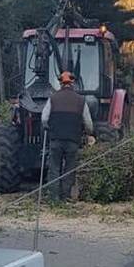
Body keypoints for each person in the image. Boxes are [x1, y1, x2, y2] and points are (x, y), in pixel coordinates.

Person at [42, 71, 94, 201]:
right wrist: (89, 133)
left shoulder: (52, 98)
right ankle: (65, 197)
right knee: (69, 169)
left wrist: (48, 127)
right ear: (73, 84)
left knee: (54, 168)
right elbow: (88, 122)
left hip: (56, 140)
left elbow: (44, 118)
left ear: (60, 83)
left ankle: (54, 198)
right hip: (72, 141)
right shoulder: (81, 100)